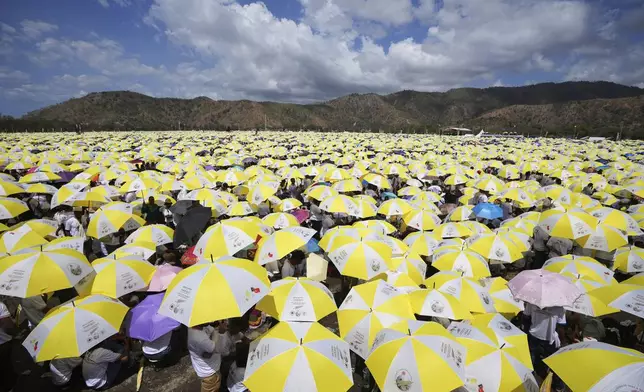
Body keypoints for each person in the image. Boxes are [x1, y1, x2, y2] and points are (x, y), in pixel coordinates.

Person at [523, 303, 566, 390]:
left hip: (534, 335)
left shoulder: (532, 301)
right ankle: (557, 385)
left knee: (532, 360)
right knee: (553, 363)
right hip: (549, 339)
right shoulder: (559, 306)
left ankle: (530, 383)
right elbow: (561, 327)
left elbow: (526, 316)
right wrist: (563, 342)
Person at [188, 321, 234, 392]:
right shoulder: (200, 339)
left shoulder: (195, 327)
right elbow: (220, 348)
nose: (210, 320)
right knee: (212, 388)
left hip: (205, 366)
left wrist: (214, 333)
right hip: (210, 372)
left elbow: (211, 330)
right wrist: (221, 333)